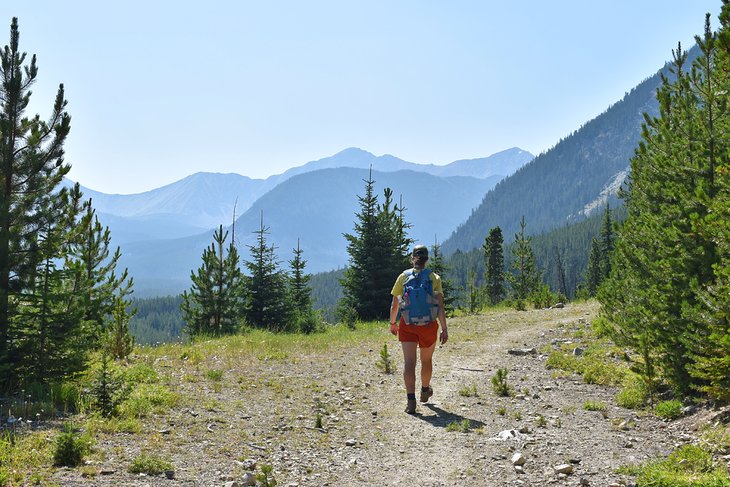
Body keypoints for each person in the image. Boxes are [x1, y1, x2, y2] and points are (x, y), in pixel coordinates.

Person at [389, 244, 448, 414]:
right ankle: (424, 390)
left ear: (412, 257)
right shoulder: (434, 278)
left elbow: (395, 305)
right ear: (427, 259)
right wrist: (444, 329)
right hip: (428, 326)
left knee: (409, 363)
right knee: (426, 361)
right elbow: (440, 307)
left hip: (408, 325)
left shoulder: (403, 277)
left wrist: (393, 323)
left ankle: (411, 401)